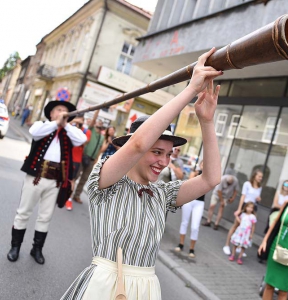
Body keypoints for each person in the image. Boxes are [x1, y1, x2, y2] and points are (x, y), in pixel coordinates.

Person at [61, 48, 223, 299]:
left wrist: (207, 122)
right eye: (157, 152)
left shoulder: (163, 193)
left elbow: (211, 179)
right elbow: (137, 144)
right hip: (105, 285)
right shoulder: (106, 181)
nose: (164, 161)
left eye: (169, 154)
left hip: (146, 287)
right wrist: (190, 90)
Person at [7, 100, 87, 264]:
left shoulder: (69, 132)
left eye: (65, 111)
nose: (62, 112)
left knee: (45, 217)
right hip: (35, 178)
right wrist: (56, 123)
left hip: (54, 182)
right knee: (24, 212)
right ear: (51, 113)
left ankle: (36, 249)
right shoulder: (42, 126)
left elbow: (82, 139)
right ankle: (15, 247)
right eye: (58, 110)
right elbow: (35, 132)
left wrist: (65, 124)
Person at [223, 170, 263, 255]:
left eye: (261, 177)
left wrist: (259, 199)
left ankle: (240, 247)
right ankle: (226, 245)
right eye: (259, 176)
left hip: (253, 208)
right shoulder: (247, 184)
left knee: (247, 228)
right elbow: (243, 196)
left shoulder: (260, 187)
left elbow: (256, 199)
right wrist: (239, 209)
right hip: (245, 206)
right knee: (236, 225)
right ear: (255, 176)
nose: (261, 178)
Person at [72, 109, 104, 204]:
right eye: (98, 122)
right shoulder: (91, 130)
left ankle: (76, 195)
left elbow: (99, 148)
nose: (99, 124)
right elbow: (93, 120)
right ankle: (68, 192)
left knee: (84, 178)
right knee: (76, 175)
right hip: (84, 156)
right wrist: (98, 111)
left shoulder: (101, 137)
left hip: (91, 160)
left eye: (101, 123)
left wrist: (97, 158)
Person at [175, 160, 205, 258]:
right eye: (202, 164)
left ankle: (192, 249)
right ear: (200, 165)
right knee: (184, 222)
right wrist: (196, 174)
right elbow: (189, 182)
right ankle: (181, 244)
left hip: (199, 202)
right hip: (189, 199)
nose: (204, 166)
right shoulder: (194, 172)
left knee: (195, 226)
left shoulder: (207, 177)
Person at [65, 114, 91, 211]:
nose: (77, 124)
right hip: (65, 156)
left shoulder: (86, 132)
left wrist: (78, 129)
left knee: (72, 180)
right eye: (76, 121)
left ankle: (69, 199)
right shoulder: (69, 127)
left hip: (76, 160)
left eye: (80, 122)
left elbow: (84, 142)